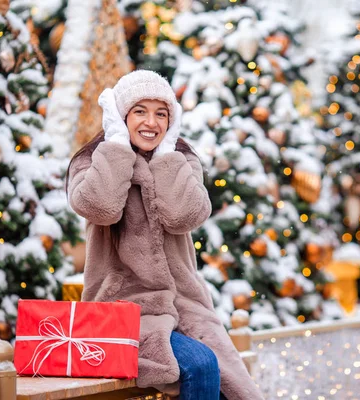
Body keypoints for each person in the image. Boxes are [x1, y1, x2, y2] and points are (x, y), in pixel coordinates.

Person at [66, 70, 264, 400]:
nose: (151, 122)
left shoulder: (179, 159)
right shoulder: (92, 161)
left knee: (233, 387)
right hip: (124, 312)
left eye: (161, 113)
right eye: (139, 111)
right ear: (120, 116)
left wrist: (166, 158)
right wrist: (116, 146)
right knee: (201, 366)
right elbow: (102, 207)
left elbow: (183, 216)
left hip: (187, 307)